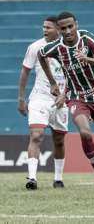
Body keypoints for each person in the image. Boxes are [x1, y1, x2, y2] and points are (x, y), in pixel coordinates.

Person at [37, 12, 94, 197]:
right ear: (58, 30)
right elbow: (40, 53)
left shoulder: (88, 39)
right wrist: (53, 82)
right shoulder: (57, 47)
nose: (68, 31)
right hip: (77, 97)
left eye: (70, 26)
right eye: (63, 28)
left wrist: (88, 59)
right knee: (84, 132)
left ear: (76, 24)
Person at [18, 16, 67, 190]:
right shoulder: (34, 47)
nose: (45, 30)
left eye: (48, 28)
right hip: (40, 97)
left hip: (62, 99)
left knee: (59, 140)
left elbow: (73, 76)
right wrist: (21, 98)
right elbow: (25, 73)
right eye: (43, 27)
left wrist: (65, 95)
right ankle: (32, 178)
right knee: (37, 136)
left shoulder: (68, 48)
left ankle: (58, 179)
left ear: (58, 29)